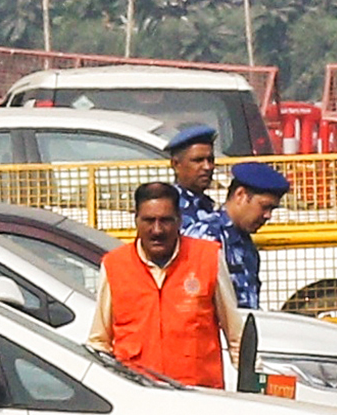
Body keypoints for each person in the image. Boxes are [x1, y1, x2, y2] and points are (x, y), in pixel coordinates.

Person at [86, 180, 242, 387]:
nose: (157, 230)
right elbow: (99, 342)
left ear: (179, 221)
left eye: (165, 220)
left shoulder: (208, 258)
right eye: (149, 220)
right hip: (138, 396)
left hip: (199, 396)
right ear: (136, 221)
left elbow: (236, 336)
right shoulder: (114, 265)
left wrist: (252, 386)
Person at [183, 161, 289, 309]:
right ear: (240, 195)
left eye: (272, 209)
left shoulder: (245, 242)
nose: (268, 216)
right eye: (264, 207)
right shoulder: (207, 237)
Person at [164, 123, 219, 228]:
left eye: (210, 160)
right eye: (198, 160)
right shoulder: (171, 208)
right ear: (176, 165)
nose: (207, 167)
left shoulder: (205, 203)